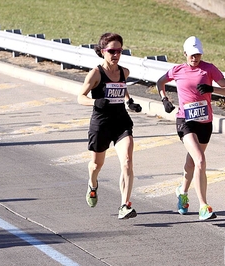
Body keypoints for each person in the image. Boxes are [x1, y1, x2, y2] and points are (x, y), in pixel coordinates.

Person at [156, 36, 225, 220]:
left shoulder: (209, 69)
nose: (195, 58)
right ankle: (203, 206)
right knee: (200, 160)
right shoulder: (177, 70)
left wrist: (211, 89)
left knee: (192, 162)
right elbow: (160, 82)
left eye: (198, 54)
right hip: (185, 120)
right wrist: (165, 100)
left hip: (205, 122)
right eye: (192, 55)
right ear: (185, 54)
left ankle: (182, 192)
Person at [77, 32, 142, 220]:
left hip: (121, 121)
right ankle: (92, 183)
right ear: (102, 51)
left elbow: (122, 87)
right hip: (101, 123)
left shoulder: (124, 72)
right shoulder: (95, 73)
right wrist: (95, 102)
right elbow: (80, 97)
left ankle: (125, 204)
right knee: (96, 164)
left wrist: (129, 102)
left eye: (119, 51)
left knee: (128, 161)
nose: (116, 54)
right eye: (112, 51)